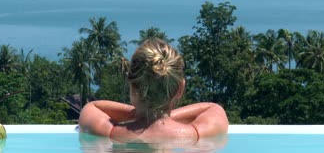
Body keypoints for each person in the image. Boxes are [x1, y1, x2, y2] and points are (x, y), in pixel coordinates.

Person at [78, 38, 228, 144]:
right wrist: (162, 113)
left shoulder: (108, 133)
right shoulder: (196, 135)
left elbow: (92, 107)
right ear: (180, 88)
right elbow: (214, 108)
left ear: (132, 85)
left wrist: (139, 114)